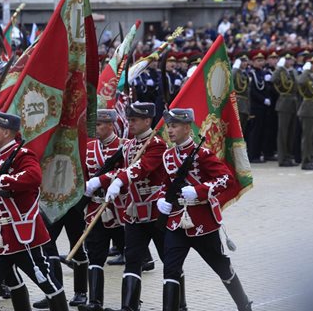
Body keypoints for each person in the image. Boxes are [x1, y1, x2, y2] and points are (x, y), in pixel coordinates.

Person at [0, 111, 68, 311]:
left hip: (22, 236)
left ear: (6, 132)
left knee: (46, 282)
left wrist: (1, 182)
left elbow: (33, 177)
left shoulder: (23, 155)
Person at [157, 108, 251, 311]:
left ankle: (243, 304)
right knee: (170, 269)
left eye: (174, 126)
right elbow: (165, 185)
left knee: (221, 266)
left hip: (202, 222)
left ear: (187, 127)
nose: (170, 130)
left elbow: (226, 178)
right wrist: (160, 200)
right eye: (168, 126)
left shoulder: (203, 154)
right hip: (177, 222)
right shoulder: (168, 156)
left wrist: (199, 191)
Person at [101, 102, 187, 311]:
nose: (130, 124)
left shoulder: (156, 144)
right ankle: (129, 306)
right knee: (132, 259)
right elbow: (121, 169)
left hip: (156, 213)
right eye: (129, 120)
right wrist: (104, 180)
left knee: (170, 260)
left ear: (147, 121)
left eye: (134, 120)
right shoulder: (129, 145)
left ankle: (179, 305)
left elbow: (143, 168)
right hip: (134, 213)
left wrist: (121, 179)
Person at [78, 110, 124, 311]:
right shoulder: (89, 148)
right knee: (95, 254)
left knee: (131, 254)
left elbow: (127, 171)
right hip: (95, 207)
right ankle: (95, 301)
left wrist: (104, 180)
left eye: (99, 125)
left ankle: (131, 302)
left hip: (119, 209)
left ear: (111, 125)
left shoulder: (123, 146)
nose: (95, 129)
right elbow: (84, 174)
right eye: (94, 125)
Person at [272, 54, 299, 167]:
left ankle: (288, 156)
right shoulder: (281, 71)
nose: (290, 61)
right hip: (283, 103)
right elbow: (274, 79)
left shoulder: (291, 72)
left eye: (291, 59)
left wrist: (292, 72)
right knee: (283, 132)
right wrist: (279, 68)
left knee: (291, 132)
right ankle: (282, 158)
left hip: (293, 103)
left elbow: (297, 84)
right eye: (287, 59)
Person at [296, 57, 313, 170]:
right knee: (307, 137)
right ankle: (306, 161)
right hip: (307, 110)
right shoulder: (305, 76)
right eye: (312, 64)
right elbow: (300, 82)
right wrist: (305, 70)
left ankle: (310, 160)